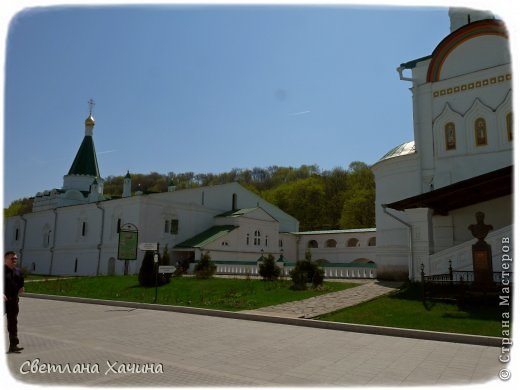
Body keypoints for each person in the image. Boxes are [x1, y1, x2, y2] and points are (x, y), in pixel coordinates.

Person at [4, 251, 25, 353]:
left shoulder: (18, 272)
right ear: (6, 259)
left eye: (16, 259)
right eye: (12, 259)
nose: (14, 260)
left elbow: (21, 286)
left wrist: (21, 289)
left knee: (13, 323)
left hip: (13, 302)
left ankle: (13, 345)